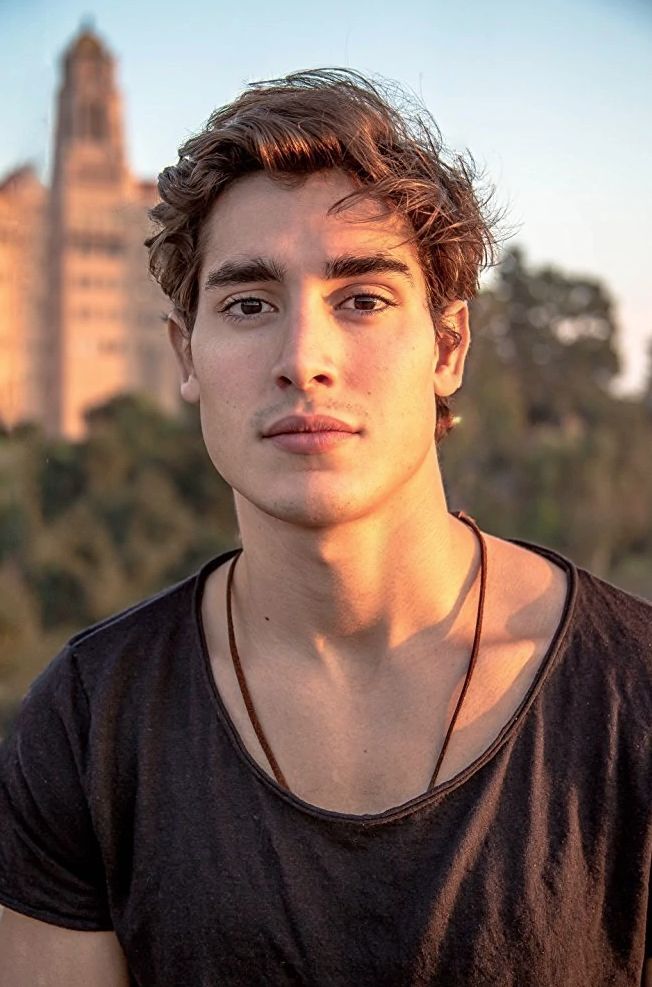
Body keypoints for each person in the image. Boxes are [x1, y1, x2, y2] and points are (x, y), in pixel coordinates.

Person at [0, 69, 649, 987]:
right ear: (186, 353)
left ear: (450, 346)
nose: (303, 359)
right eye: (249, 305)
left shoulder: (635, 696)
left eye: (363, 299)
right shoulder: (84, 723)